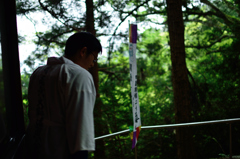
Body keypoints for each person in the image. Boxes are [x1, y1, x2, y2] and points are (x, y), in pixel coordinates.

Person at [25, 32, 102, 159]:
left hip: (32, 149)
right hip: (60, 150)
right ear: (83, 51)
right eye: (94, 58)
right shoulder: (78, 75)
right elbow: (81, 128)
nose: (93, 64)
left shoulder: (38, 72)